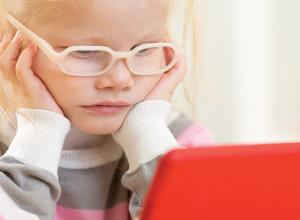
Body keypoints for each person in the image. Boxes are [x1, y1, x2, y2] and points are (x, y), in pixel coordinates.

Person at [0, 0, 214, 219]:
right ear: (10, 44)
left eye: (144, 49)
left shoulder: (184, 148)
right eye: (85, 51)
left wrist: (147, 134)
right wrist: (39, 132)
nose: (120, 80)